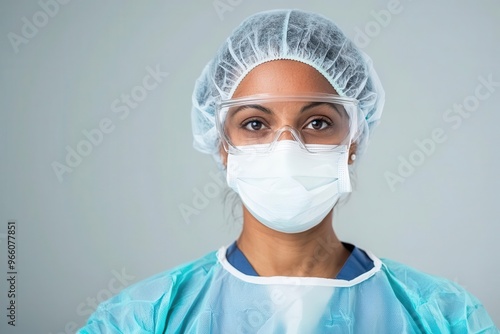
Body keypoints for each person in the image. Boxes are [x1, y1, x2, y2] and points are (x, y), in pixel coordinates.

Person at [79, 9, 497, 333]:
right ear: (222, 145)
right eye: (255, 124)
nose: (285, 149)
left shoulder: (443, 316)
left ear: (352, 140)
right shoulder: (142, 319)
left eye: (316, 123)